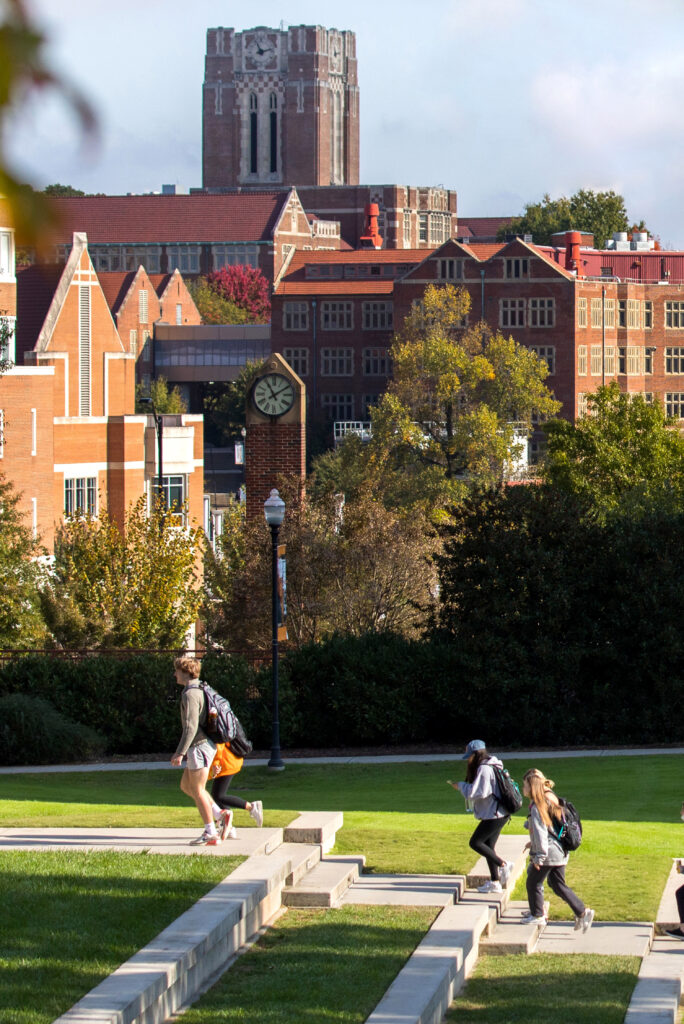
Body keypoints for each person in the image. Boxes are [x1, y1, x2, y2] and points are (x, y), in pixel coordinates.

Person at [522, 768, 594, 931]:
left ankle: (538, 915)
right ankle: (582, 912)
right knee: (557, 884)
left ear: (532, 787)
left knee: (533, 882)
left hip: (549, 852)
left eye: (525, 785)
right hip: (559, 850)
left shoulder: (538, 806)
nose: (523, 788)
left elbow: (541, 834)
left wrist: (538, 857)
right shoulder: (545, 799)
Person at [451, 739, 514, 893]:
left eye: (469, 756)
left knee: (475, 842)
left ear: (476, 754)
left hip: (495, 814)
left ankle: (503, 864)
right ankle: (495, 882)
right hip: (498, 812)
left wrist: (461, 786)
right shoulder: (492, 765)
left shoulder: (485, 769)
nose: (468, 760)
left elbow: (478, 792)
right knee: (489, 846)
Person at [170, 655, 220, 846]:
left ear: (185, 672)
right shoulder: (198, 689)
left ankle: (210, 832)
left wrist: (180, 752)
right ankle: (219, 814)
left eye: (177, 671)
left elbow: (190, 727)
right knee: (186, 786)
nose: (175, 674)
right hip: (200, 746)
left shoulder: (190, 694)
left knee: (198, 790)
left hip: (198, 746)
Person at [208, 741, 264, 839]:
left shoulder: (214, 726)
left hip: (225, 762)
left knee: (218, 796)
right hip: (228, 760)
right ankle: (228, 827)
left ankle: (252, 807)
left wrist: (216, 763)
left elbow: (219, 743)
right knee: (217, 795)